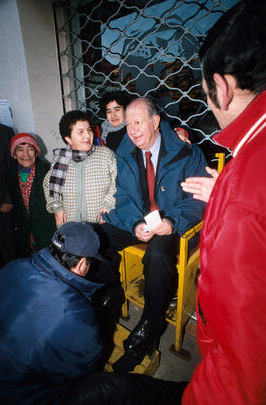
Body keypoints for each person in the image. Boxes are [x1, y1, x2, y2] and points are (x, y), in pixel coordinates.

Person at [181, 1, 266, 403]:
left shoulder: (244, 188)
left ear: (223, 86)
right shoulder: (247, 167)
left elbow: (245, 371)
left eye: (205, 93)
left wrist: (231, 201)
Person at [92, 96, 208, 373]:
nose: (131, 130)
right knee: (97, 237)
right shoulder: (123, 153)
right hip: (138, 222)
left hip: (172, 223)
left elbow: (198, 200)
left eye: (138, 122)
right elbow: (118, 195)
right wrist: (133, 224)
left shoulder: (186, 153)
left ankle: (149, 326)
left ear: (156, 122)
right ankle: (111, 294)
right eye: (128, 123)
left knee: (157, 254)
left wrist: (171, 221)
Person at [0, 221, 106, 404]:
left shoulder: (12, 266)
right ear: (81, 264)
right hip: (21, 395)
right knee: (113, 388)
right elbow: (84, 367)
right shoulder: (77, 313)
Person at [43, 110, 116, 226]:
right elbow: (48, 186)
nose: (87, 135)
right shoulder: (60, 160)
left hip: (102, 226)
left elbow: (119, 181)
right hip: (71, 230)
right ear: (68, 139)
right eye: (80, 132)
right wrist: (57, 207)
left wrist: (109, 205)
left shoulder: (106, 155)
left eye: (89, 130)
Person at [9, 132, 56, 258]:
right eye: (20, 150)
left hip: (48, 233)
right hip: (25, 235)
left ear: (36, 153)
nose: (26, 155)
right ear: (14, 154)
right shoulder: (10, 174)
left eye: (30, 149)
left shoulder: (48, 172)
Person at [0, 122, 16, 271]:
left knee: (6, 243)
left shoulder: (5, 132)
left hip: (0, 195)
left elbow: (12, 167)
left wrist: (8, 198)